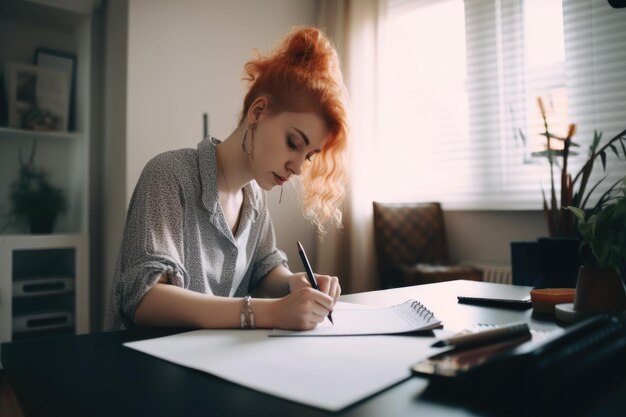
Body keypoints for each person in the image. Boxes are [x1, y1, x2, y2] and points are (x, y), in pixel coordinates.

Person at [104, 26, 349, 332]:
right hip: (141, 367)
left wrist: (293, 283)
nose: (299, 168)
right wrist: (270, 312)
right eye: (293, 143)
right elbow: (145, 300)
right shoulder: (168, 175)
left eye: (309, 155)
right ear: (258, 112)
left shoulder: (255, 198)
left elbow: (264, 266)